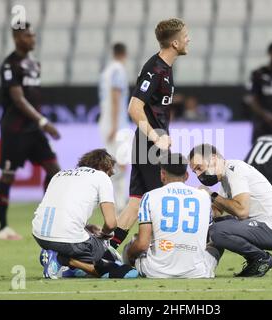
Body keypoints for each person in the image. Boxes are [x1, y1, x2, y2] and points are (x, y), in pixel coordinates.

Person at [109, 18, 190, 249]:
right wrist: (156, 137)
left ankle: (107, 251)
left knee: (136, 201)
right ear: (174, 43)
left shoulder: (165, 68)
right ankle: (163, 250)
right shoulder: (154, 69)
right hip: (151, 144)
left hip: (150, 143)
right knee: (162, 199)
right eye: (185, 36)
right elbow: (134, 107)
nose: (188, 39)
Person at [0, 22, 61, 240]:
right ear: (16, 38)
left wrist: (40, 124)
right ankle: (3, 227)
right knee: (8, 175)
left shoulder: (34, 64)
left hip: (33, 130)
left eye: (33, 35)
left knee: (54, 170)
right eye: (27, 36)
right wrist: (43, 121)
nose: (32, 39)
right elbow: (18, 100)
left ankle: (46, 217)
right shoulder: (9, 65)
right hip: (14, 130)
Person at [32, 149, 138, 279]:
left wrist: (86, 229)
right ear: (105, 167)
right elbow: (111, 224)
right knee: (110, 253)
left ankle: (56, 258)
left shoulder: (59, 174)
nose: (110, 176)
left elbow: (60, 210)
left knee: (84, 237)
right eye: (110, 173)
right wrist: (104, 234)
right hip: (67, 240)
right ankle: (65, 260)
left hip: (39, 235)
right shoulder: (101, 176)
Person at [189, 144, 272, 277]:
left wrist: (212, 195)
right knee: (211, 226)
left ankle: (261, 258)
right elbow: (216, 212)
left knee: (217, 231)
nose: (198, 174)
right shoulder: (226, 176)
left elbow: (242, 211)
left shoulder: (235, 170)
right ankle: (205, 265)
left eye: (199, 168)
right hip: (264, 227)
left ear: (213, 158)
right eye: (194, 171)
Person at [123, 153, 220, 278]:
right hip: (197, 272)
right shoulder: (204, 196)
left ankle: (126, 270)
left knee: (132, 244)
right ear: (186, 175)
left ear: (162, 174)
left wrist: (131, 253)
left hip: (155, 272)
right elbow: (207, 236)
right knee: (216, 244)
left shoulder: (150, 196)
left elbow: (142, 244)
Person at [98, 43, 130, 210]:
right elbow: (116, 97)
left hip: (107, 121)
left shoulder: (107, 71)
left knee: (114, 163)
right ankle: (115, 202)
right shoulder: (118, 70)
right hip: (117, 124)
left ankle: (116, 202)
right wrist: (116, 126)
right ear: (125, 54)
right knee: (120, 164)